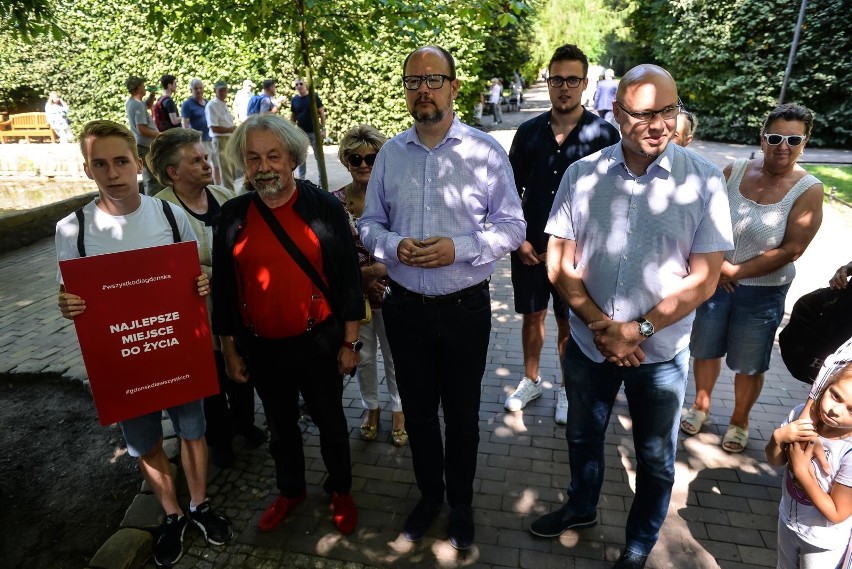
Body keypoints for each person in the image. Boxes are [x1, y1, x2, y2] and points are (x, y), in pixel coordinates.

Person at [532, 64, 734, 569]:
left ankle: (640, 542)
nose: (659, 124)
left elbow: (706, 278)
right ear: (618, 113)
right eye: (643, 113)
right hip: (589, 344)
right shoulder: (583, 174)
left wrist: (636, 330)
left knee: (655, 459)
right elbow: (558, 260)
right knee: (581, 436)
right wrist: (603, 325)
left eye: (668, 110)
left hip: (660, 353)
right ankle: (581, 508)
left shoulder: (705, 181)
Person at [359, 45, 525, 551]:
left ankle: (461, 504)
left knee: (462, 414)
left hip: (465, 310)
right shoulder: (390, 154)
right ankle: (429, 495)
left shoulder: (485, 152)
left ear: (454, 87)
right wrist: (391, 246)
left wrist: (462, 248)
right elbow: (369, 224)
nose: (423, 89)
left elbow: (514, 227)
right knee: (420, 411)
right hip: (405, 308)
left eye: (433, 79)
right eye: (413, 81)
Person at [55, 120, 233, 567]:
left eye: (120, 161)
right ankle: (171, 514)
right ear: (87, 169)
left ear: (137, 163)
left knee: (193, 430)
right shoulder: (72, 229)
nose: (112, 172)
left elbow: (196, 275)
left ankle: (198, 505)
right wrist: (67, 304)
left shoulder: (170, 215)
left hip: (175, 346)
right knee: (145, 442)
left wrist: (201, 285)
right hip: (124, 357)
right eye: (100, 164)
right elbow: (69, 294)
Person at [211, 113, 363, 536]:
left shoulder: (324, 207)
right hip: (262, 348)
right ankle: (290, 489)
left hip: (320, 343)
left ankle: (341, 490)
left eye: (273, 156)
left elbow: (350, 280)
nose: (263, 167)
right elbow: (224, 286)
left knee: (331, 424)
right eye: (253, 157)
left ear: (292, 158)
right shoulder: (232, 216)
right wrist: (228, 347)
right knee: (280, 427)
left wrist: (351, 343)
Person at [680, 103, 824, 453]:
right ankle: (700, 405)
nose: (783, 146)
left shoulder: (809, 189)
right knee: (705, 348)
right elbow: (705, 220)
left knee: (749, 362)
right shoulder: (735, 170)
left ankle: (740, 421)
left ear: (804, 143)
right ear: (762, 139)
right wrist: (715, 269)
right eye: (775, 137)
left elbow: (792, 249)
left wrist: (736, 271)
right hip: (714, 283)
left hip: (762, 292)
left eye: (793, 139)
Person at [504, 44, 621, 425]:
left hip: (579, 255)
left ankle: (569, 390)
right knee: (532, 316)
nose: (564, 87)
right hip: (529, 249)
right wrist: (518, 238)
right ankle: (531, 379)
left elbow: (614, 202)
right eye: (557, 79)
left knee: (569, 320)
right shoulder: (528, 133)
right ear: (549, 82)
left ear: (585, 84)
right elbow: (509, 192)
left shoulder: (603, 136)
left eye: (572, 80)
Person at [146, 127, 265, 467]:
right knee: (211, 378)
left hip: (237, 305)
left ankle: (245, 423)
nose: (206, 164)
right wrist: (220, 272)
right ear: (173, 172)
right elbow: (170, 266)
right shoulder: (161, 211)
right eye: (195, 160)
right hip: (195, 311)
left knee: (241, 368)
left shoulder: (223, 195)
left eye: (205, 157)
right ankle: (220, 439)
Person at [331, 125, 406, 446]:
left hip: (394, 290)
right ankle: (370, 408)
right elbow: (330, 253)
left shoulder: (396, 199)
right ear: (346, 161)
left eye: (372, 158)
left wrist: (378, 272)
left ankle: (400, 410)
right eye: (355, 158)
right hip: (355, 297)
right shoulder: (334, 204)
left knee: (396, 356)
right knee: (363, 356)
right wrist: (361, 280)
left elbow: (408, 244)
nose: (363, 164)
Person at [765, 362, 852, 569]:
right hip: (788, 520)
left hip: (822, 542)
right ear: (825, 385)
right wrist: (778, 438)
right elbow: (774, 461)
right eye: (835, 395)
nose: (834, 410)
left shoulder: (848, 451)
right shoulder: (800, 416)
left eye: (851, 409)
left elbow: (838, 513)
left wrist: (802, 470)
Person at [124, 76, 163, 195]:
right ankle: (153, 205)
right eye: (142, 85)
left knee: (151, 177)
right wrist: (160, 135)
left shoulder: (132, 102)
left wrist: (151, 96)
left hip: (141, 145)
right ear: (138, 88)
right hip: (145, 146)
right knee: (152, 179)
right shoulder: (137, 105)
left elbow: (147, 106)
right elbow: (142, 129)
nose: (144, 87)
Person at [290, 77, 327, 180]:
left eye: (300, 84)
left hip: (315, 132)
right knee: (301, 157)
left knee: (319, 157)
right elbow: (293, 116)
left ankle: (322, 179)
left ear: (305, 84)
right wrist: (291, 130)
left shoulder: (313, 97)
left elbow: (322, 114)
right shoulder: (294, 100)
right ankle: (301, 179)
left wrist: (323, 129)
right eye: (296, 85)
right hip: (301, 133)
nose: (299, 86)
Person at [205, 80, 238, 189]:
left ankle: (231, 194)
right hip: (220, 140)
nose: (224, 93)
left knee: (231, 170)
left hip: (228, 139)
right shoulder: (211, 105)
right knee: (226, 171)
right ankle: (230, 198)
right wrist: (231, 129)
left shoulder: (222, 104)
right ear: (215, 90)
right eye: (221, 90)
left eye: (225, 90)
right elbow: (213, 127)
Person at [181, 79, 212, 157]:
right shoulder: (187, 104)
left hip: (211, 138)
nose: (198, 90)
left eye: (200, 88)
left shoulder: (208, 103)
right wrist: (190, 142)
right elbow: (185, 124)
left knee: (215, 165)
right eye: (196, 88)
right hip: (199, 141)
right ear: (191, 90)